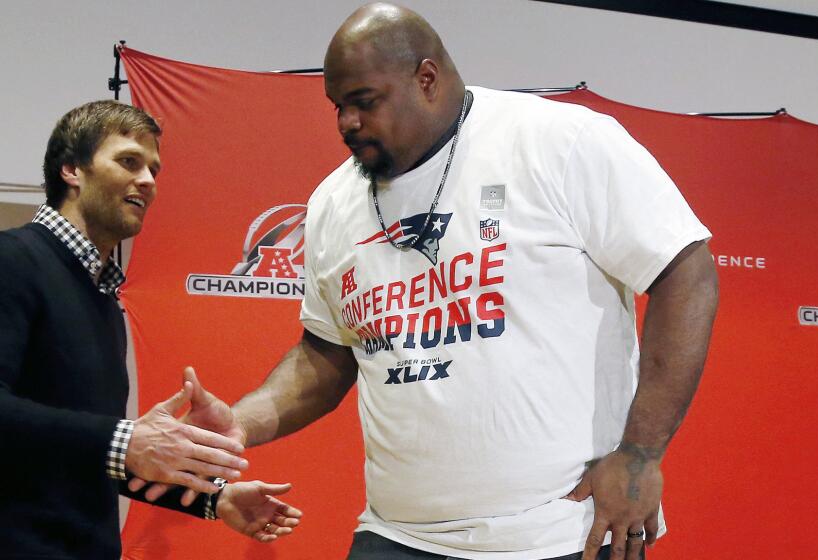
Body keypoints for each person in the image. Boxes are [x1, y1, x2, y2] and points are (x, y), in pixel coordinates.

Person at [144, 3, 718, 559]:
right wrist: (239, 425)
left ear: (427, 78)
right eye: (338, 105)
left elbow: (684, 270)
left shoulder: (559, 142)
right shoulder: (332, 203)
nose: (346, 122)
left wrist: (641, 452)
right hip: (398, 537)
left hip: (561, 533)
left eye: (364, 102)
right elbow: (325, 356)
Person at [0, 100, 301, 559]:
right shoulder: (12, 260)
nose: (148, 181)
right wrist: (125, 440)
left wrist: (213, 498)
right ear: (71, 170)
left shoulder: (100, 296)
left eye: (153, 170)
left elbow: (80, 452)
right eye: (128, 161)